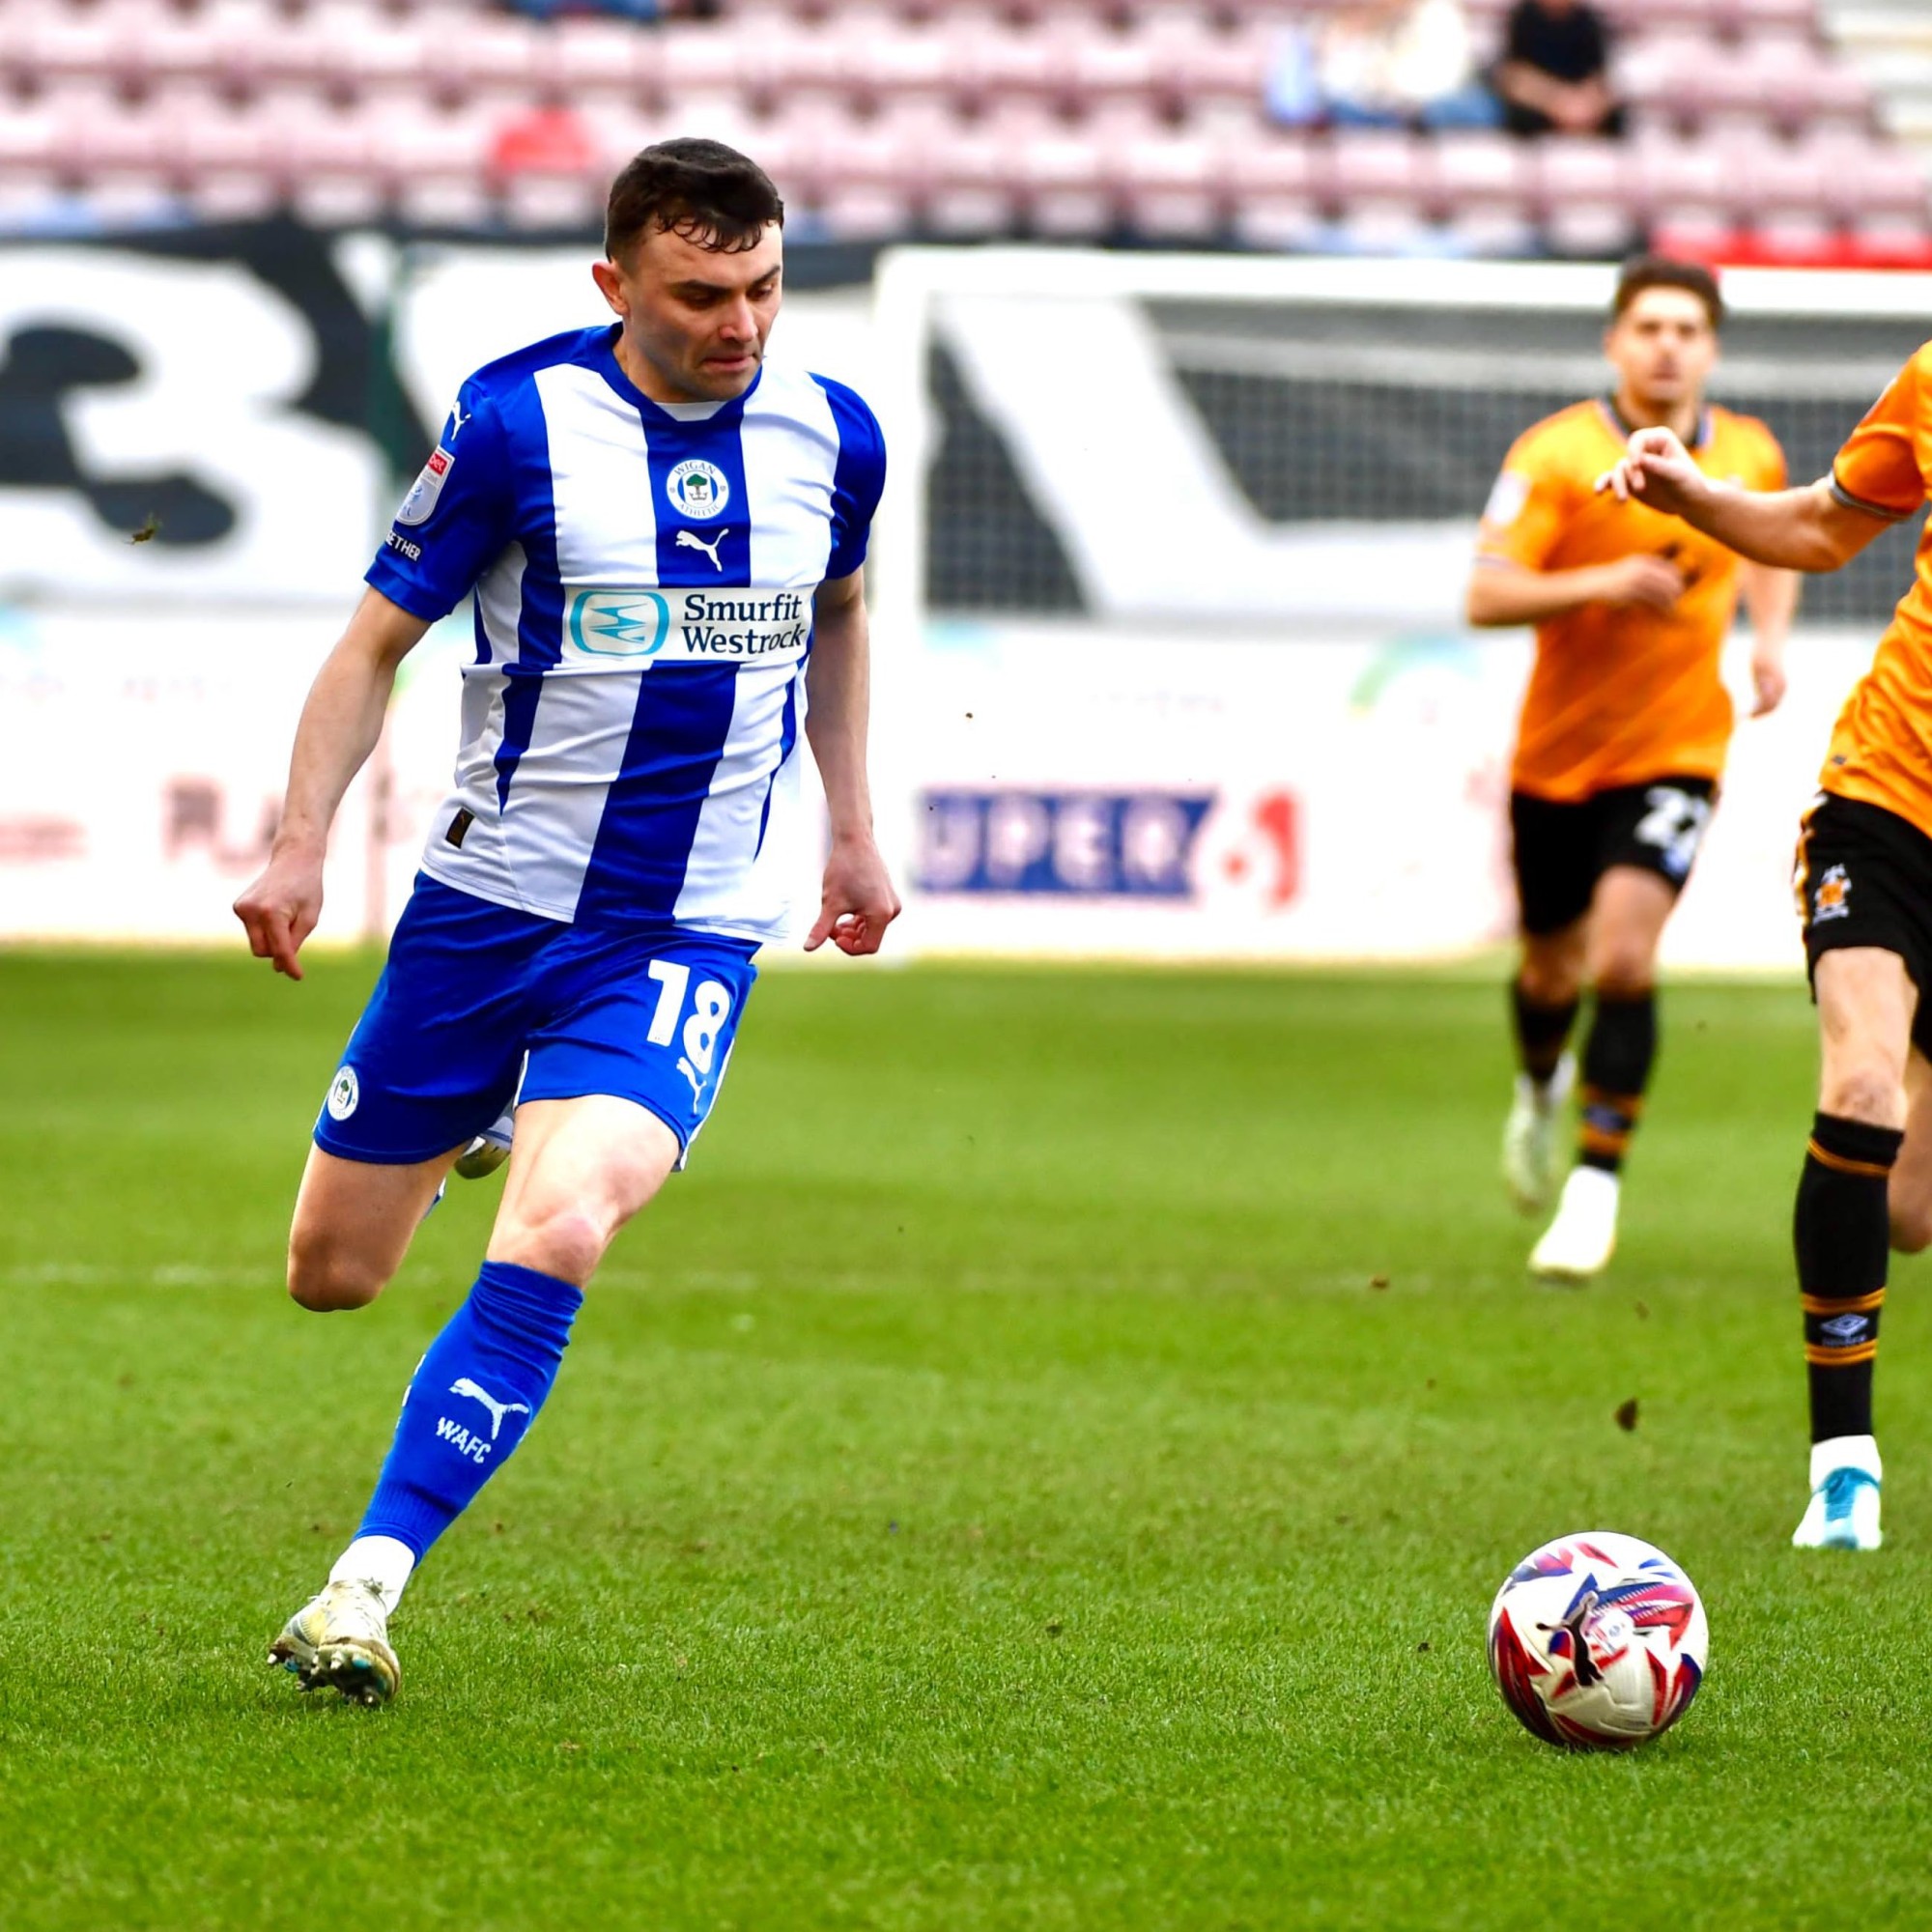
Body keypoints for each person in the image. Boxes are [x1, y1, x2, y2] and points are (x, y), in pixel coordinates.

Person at [234, 137, 899, 1704]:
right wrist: (299, 843)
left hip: (686, 929)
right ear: (615, 284)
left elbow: (840, 615)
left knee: (568, 1224)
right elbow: (370, 649)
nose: (741, 324)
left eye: (764, 289)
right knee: (333, 1273)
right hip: (487, 911)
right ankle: (484, 1110)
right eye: (701, 295)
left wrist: (855, 828)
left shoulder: (835, 436)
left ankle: (364, 1585)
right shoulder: (516, 425)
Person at [1601, 339, 1932, 1552]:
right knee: (1859, 1087)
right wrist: (1692, 493)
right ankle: (1842, 1467)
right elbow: (1819, 528)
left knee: (1907, 1210)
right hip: (1885, 799)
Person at [1467, 257, 1795, 1281]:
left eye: (1686, 330)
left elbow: (1774, 543)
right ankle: (1537, 1087)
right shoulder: (1556, 454)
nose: (1666, 347)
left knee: (1621, 958)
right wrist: (1600, 580)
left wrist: (1767, 642)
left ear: (1711, 348)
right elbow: (1484, 594)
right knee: (1548, 972)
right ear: (1613, 341)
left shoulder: (1747, 452)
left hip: (1675, 750)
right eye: (1648, 327)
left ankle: (1594, 1188)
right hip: (1556, 757)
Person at [1265, 0, 1501, 133]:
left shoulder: (1437, 14)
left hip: (1423, 111)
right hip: (1360, 110)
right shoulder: (1333, 26)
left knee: (1475, 108)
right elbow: (1320, 89)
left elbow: (1442, 79)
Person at [1493, 0, 1623, 139]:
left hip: (1581, 103)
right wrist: (1556, 103)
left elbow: (1598, 77)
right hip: (1539, 102)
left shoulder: (1588, 20)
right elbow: (1514, 75)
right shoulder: (1523, 19)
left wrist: (1582, 107)